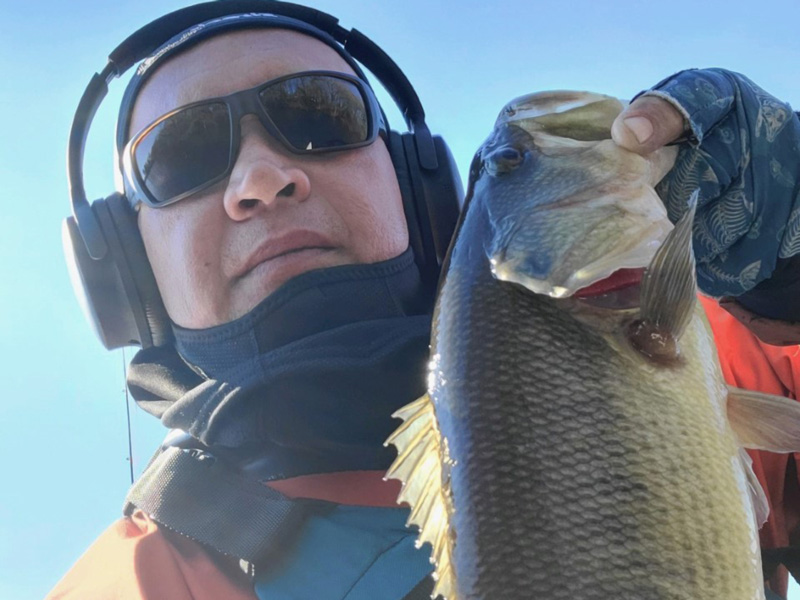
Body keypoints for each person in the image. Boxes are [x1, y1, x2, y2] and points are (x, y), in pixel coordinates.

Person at [50, 2, 800, 599]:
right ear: (126, 266)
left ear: (417, 185)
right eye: (179, 158)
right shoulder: (136, 588)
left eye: (319, 119)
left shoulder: (740, 353)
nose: (262, 180)